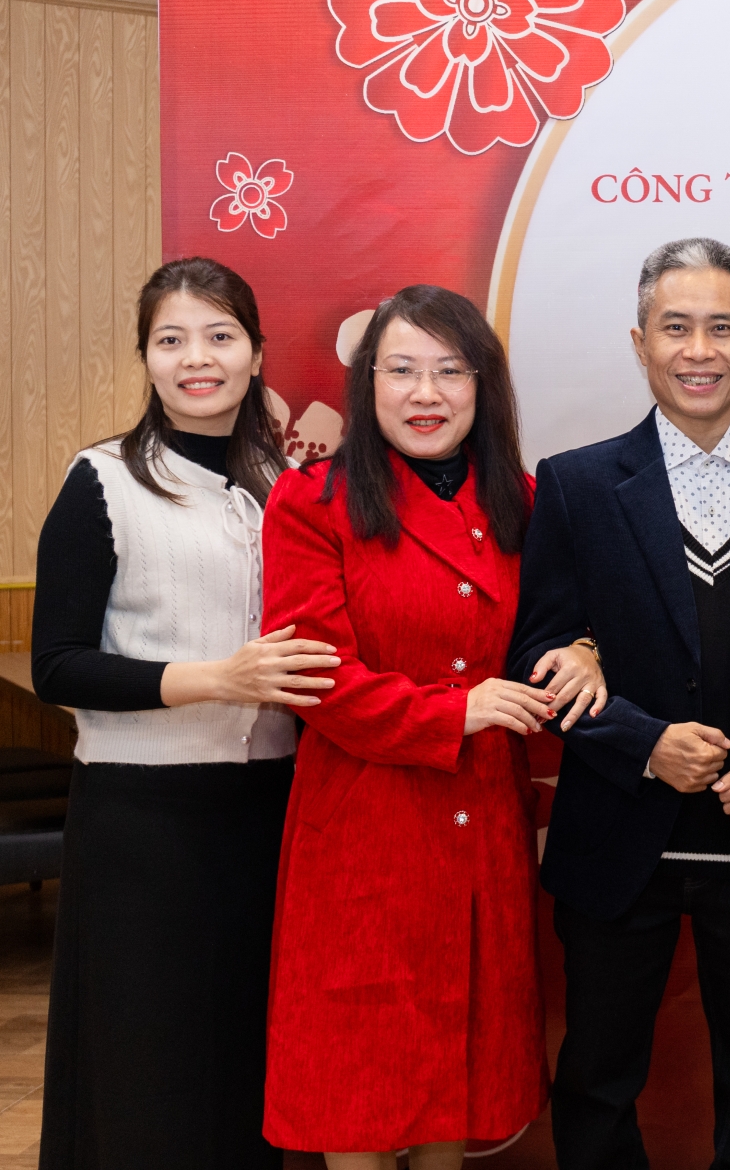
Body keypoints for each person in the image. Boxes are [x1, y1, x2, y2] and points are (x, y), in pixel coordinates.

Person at [508, 237, 730, 1170]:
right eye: (676, 328)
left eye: (721, 327)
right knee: (598, 1075)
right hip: (619, 834)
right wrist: (644, 742)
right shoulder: (577, 485)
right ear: (640, 344)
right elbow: (538, 655)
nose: (699, 350)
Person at [261, 285, 602, 1169]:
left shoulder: (525, 502)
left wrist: (584, 650)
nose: (426, 393)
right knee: (359, 1091)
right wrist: (460, 709)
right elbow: (315, 679)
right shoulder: (312, 501)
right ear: (366, 382)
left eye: (451, 371)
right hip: (363, 832)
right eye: (401, 369)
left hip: (481, 826)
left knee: (458, 1075)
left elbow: (564, 627)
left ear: (484, 385)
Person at [30, 258, 334, 1169]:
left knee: (245, 1056)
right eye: (171, 340)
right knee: (146, 1062)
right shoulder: (101, 481)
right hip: (142, 816)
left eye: (219, 336)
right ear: (146, 359)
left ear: (257, 353)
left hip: (273, 811)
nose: (197, 358)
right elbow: (57, 665)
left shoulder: (292, 486)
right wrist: (217, 679)